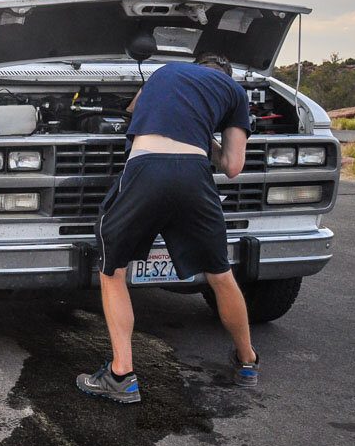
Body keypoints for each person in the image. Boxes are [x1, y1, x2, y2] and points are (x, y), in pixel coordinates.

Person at [76, 52, 260, 404]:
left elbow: (132, 112)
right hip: (195, 173)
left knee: (112, 271)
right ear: (227, 74)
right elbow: (233, 166)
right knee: (221, 274)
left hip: (146, 168)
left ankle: (121, 374)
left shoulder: (166, 72)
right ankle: (248, 362)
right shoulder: (235, 92)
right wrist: (207, 132)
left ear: (195, 66)